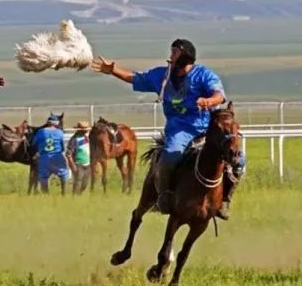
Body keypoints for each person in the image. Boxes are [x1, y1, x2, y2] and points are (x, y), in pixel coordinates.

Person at [91, 39, 244, 219]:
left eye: (174, 53)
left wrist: (208, 101)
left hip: (207, 129)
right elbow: (136, 78)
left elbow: (219, 95)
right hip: (179, 129)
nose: (170, 57)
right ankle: (164, 197)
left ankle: (224, 200)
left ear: (185, 56)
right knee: (170, 155)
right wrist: (113, 71)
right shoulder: (162, 76)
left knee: (239, 160)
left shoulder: (203, 75)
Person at [32, 114, 70, 194]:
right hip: (57, 156)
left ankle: (46, 195)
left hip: (44, 157)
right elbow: (62, 146)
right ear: (56, 123)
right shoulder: (60, 132)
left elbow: (34, 143)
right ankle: (64, 194)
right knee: (63, 174)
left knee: (43, 177)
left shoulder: (40, 132)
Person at [66, 121, 91, 194]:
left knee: (85, 184)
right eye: (85, 129)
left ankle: (79, 195)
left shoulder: (86, 138)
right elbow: (69, 154)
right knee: (78, 182)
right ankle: (75, 198)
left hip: (88, 164)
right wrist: (73, 166)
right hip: (78, 164)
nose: (86, 130)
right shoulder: (74, 139)